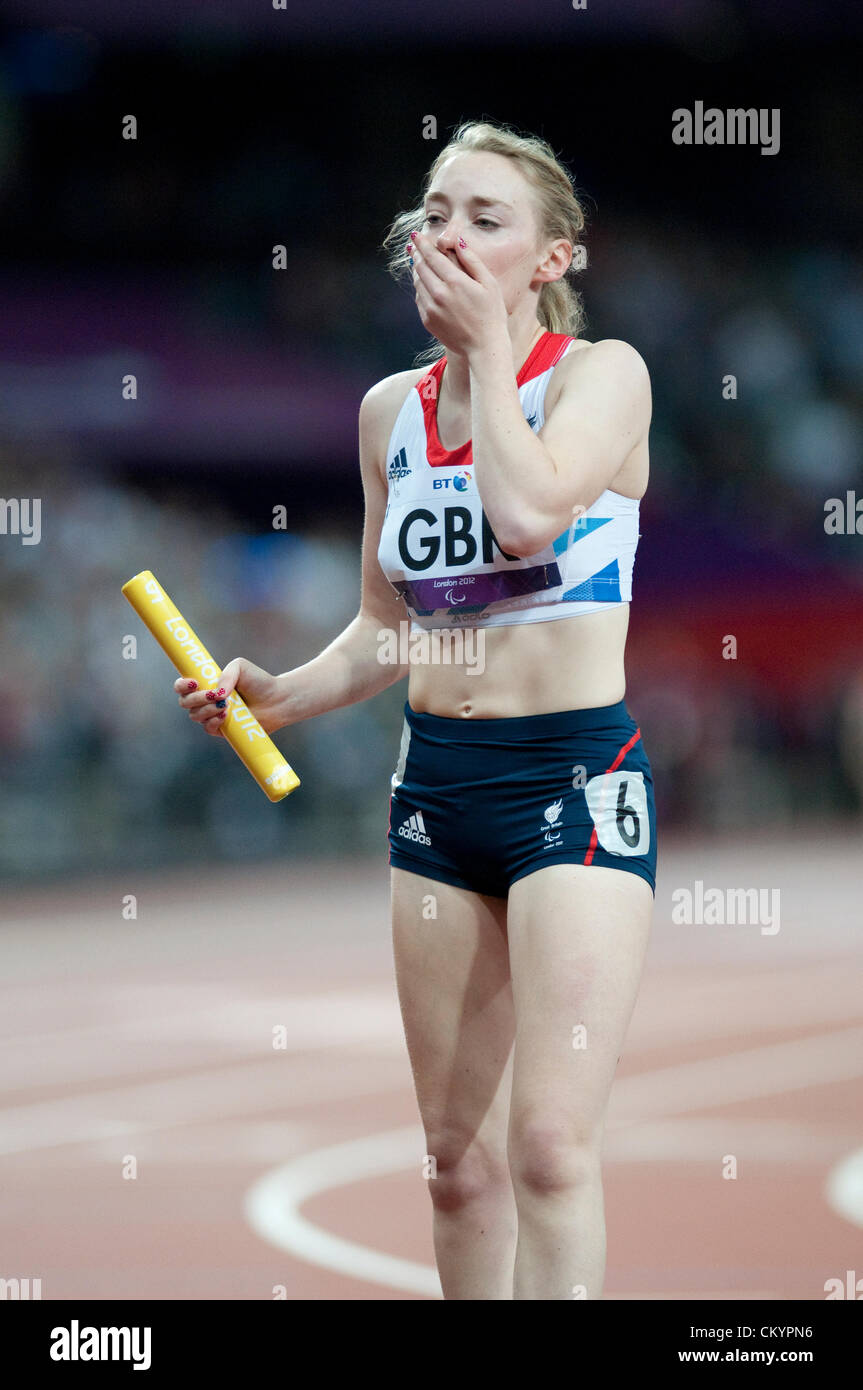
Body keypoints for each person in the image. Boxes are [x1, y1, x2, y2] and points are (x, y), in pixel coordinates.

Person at [175, 120, 657, 1301]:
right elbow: (395, 624)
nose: (448, 236)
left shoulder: (605, 377)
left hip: (573, 783)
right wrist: (279, 695)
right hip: (437, 786)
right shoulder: (387, 412)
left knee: (547, 1148)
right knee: (453, 1163)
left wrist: (491, 351)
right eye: (436, 213)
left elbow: (531, 514)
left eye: (485, 220)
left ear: (551, 261)